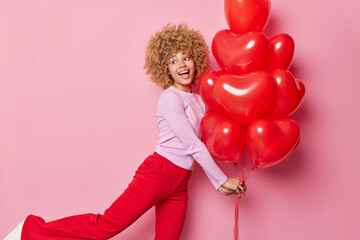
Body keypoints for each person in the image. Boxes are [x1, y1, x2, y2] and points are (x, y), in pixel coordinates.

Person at [4, 23, 246, 240]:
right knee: (105, 227)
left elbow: (216, 129)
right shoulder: (169, 99)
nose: (182, 64)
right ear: (166, 69)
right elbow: (192, 144)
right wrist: (221, 180)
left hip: (181, 181)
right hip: (158, 173)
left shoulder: (198, 100)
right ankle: (30, 231)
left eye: (186, 57)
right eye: (174, 61)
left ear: (196, 61)